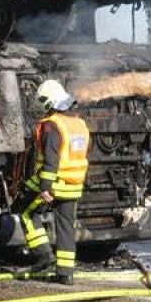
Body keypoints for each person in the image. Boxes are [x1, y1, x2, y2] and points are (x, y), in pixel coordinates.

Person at [21, 79, 90, 285]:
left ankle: (43, 255)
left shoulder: (52, 125)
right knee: (66, 226)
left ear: (49, 101)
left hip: (54, 181)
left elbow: (51, 159)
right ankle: (65, 274)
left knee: (26, 211)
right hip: (74, 184)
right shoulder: (79, 124)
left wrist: (45, 189)